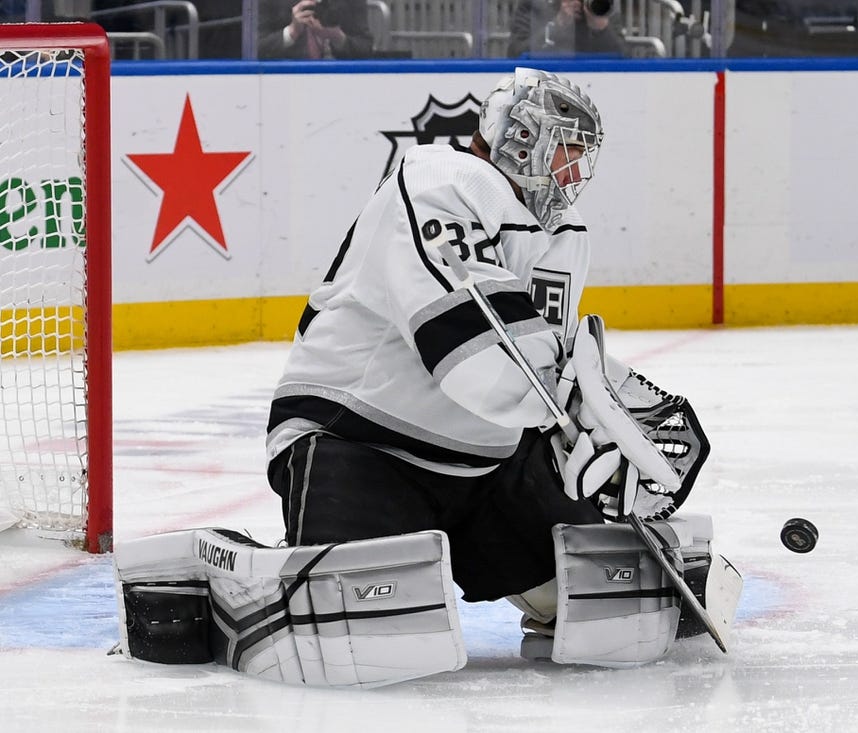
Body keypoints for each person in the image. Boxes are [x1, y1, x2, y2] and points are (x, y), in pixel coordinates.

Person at [111, 68, 719, 688]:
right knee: (362, 632)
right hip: (360, 440)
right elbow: (477, 352)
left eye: (580, 157)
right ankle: (226, 575)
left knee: (613, 612)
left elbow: (550, 353)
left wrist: (626, 412)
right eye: (562, 149)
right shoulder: (440, 182)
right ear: (520, 139)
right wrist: (589, 414)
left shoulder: (564, 231)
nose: (571, 172)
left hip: (486, 461)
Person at [258, 0, 373, 60]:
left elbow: (365, 48)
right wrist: (292, 32)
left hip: (340, 80)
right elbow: (254, 49)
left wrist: (338, 38)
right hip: (287, 81)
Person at [507, 0, 626, 57]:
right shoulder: (533, 5)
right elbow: (516, 53)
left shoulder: (602, 6)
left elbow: (624, 57)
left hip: (596, 82)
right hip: (545, 80)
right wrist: (558, 24)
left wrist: (602, 28)